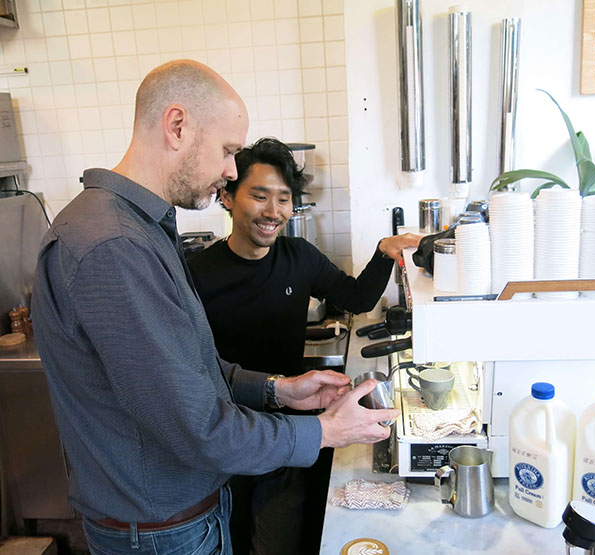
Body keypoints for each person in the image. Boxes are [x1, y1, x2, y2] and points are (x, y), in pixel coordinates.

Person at [30, 60, 400, 555]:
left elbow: (189, 368)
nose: (229, 170)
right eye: (228, 152)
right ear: (177, 126)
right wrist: (323, 431)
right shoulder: (112, 247)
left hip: (183, 517)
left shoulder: (138, 230)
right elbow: (197, 427)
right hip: (162, 534)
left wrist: (277, 390)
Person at [187, 137, 421, 555]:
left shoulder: (299, 256)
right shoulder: (197, 273)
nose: (273, 211)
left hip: (286, 430)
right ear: (227, 196)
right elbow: (191, 365)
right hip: (223, 435)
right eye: (259, 196)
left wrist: (384, 253)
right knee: (229, 539)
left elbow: (356, 299)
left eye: (283, 199)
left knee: (279, 540)